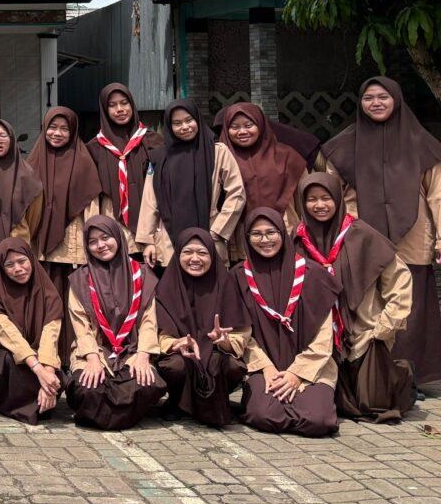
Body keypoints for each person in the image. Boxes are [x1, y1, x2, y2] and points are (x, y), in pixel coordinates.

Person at [321, 76, 441, 389]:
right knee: (364, 303)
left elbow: (437, 193)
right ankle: (367, 371)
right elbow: (328, 194)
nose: (376, 103)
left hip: (414, 235)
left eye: (383, 97)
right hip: (361, 237)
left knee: (412, 305)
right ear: (359, 103)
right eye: (369, 97)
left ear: (397, 100)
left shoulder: (421, 142)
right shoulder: (342, 145)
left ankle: (409, 375)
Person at [292, 173, 414, 422]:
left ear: (338, 198)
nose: (319, 205)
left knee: (371, 404)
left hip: (363, 334)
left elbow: (400, 280)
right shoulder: (297, 239)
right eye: (312, 199)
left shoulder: (362, 235)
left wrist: (385, 325)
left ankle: (400, 373)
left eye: (326, 198)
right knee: (323, 401)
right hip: (317, 337)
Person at [233, 208, 340, 437]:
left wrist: (296, 374)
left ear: (282, 232)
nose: (265, 240)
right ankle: (279, 405)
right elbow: (242, 332)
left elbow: (324, 335)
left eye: (271, 232)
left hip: (311, 368)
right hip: (264, 368)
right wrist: (266, 367)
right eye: (256, 234)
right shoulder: (239, 277)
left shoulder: (313, 275)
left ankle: (299, 403)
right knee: (263, 415)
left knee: (318, 420)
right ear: (247, 238)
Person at [65, 215, 166, 430]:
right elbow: (80, 325)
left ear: (118, 237)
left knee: (147, 384)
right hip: (96, 350)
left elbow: (149, 320)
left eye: (105, 237)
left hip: (132, 350)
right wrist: (92, 359)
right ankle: (119, 412)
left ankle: (101, 414)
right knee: (87, 389)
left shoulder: (142, 274)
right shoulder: (80, 279)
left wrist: (143, 356)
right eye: (92, 242)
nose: (100, 245)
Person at [25, 106, 104, 358]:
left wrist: (92, 243)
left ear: (73, 131)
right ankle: (47, 354)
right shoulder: (34, 161)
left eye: (64, 128)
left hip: (72, 243)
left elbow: (92, 204)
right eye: (52, 127)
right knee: (45, 299)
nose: (57, 133)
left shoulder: (82, 160)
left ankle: (75, 354)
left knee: (74, 300)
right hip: (40, 243)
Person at [154, 228, 249, 427]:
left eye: (202, 253)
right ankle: (176, 401)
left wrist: (224, 342)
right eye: (188, 252)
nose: (195, 258)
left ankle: (217, 400)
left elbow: (241, 332)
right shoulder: (166, 286)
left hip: (215, 354)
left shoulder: (226, 284)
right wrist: (175, 343)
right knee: (175, 366)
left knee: (230, 365)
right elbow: (158, 332)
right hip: (182, 355)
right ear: (178, 254)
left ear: (213, 256)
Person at [135, 99, 245, 267]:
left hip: (210, 234)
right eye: (177, 123)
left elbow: (237, 192)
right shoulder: (160, 157)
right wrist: (148, 241)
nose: (184, 127)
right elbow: (150, 201)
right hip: (169, 240)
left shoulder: (217, 151)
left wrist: (218, 230)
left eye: (188, 120)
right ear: (169, 126)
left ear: (198, 120)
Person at [0, 237, 65, 424]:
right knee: (9, 361)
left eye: (22, 261)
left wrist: (49, 374)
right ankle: (17, 405)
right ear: (2, 269)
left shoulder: (49, 292)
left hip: (42, 354)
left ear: (31, 259)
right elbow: (9, 335)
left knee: (53, 368)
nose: (18, 269)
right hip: (12, 353)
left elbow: (50, 335)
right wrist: (38, 370)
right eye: (9, 265)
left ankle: (44, 400)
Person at [219, 101, 308, 263]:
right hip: (239, 238)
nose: (242, 131)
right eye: (235, 127)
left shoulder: (287, 156)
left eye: (248, 125)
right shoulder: (220, 158)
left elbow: (304, 197)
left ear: (261, 124)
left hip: (285, 230)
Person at [87, 83, 158, 233]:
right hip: (112, 227)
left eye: (124, 103)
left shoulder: (153, 141)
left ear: (132, 104)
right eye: (112, 105)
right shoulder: (94, 148)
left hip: (150, 225)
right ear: (104, 111)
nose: (120, 109)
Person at [0, 118, 43, 274]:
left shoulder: (26, 174)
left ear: (12, 140)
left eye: (3, 135)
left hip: (17, 252)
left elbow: (34, 215)